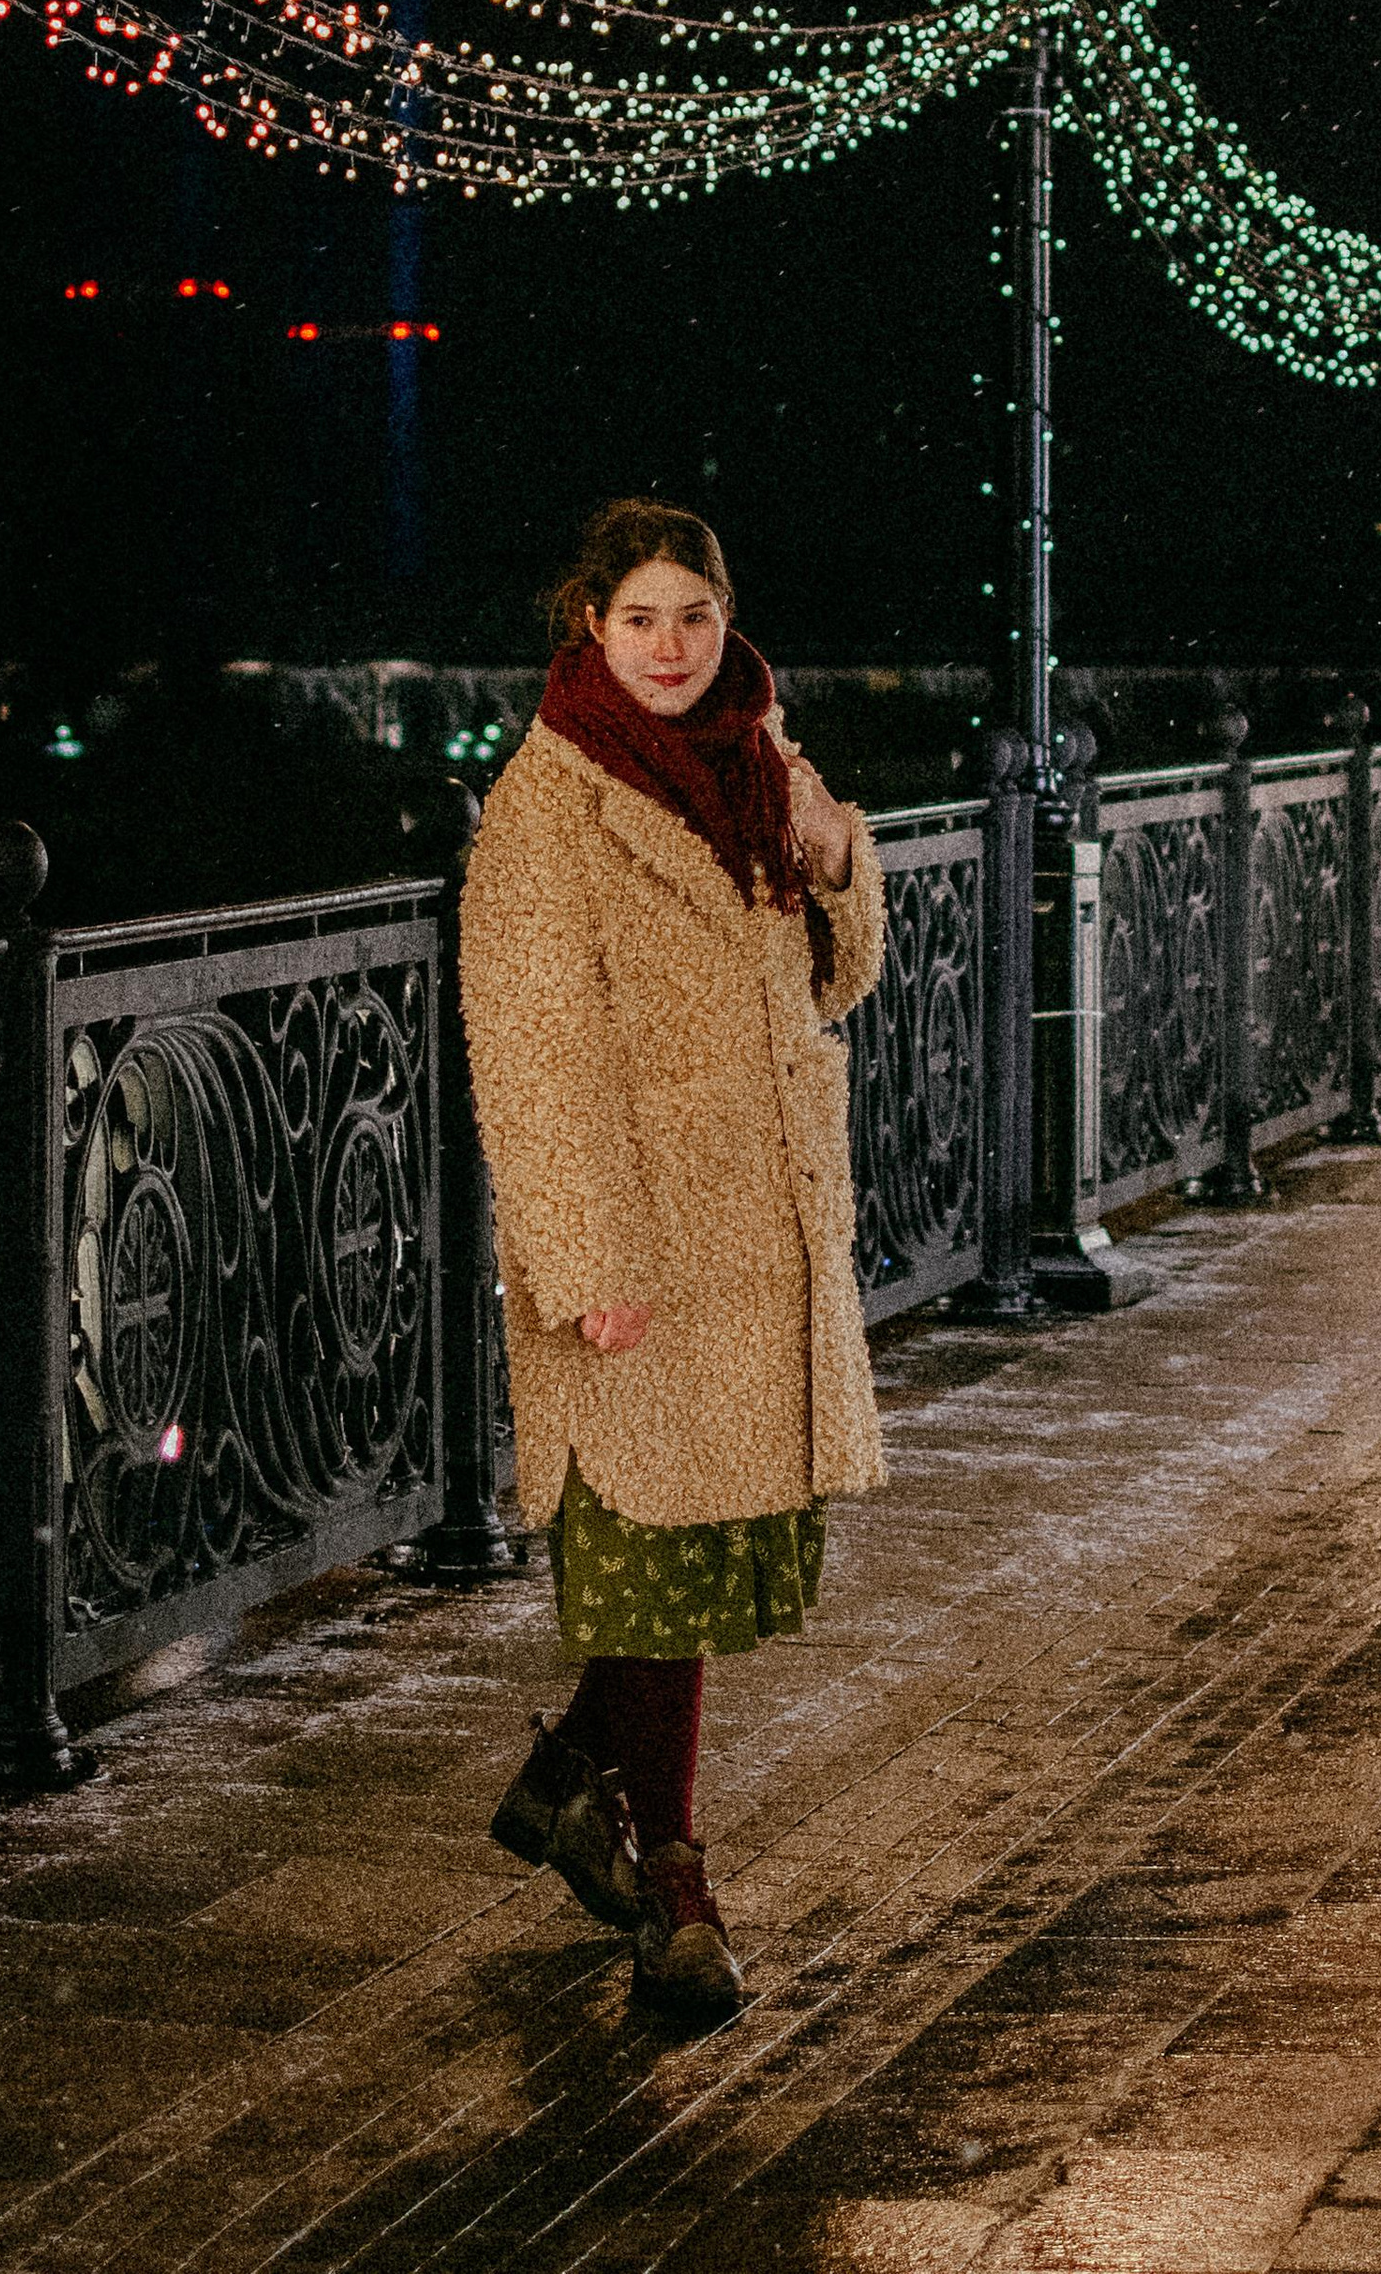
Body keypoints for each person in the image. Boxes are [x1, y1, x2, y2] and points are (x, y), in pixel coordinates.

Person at [459, 498, 886, 2015]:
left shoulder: (761, 750)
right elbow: (530, 1049)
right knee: (645, 1562)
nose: (670, 647)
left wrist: (842, 858)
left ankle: (570, 1777)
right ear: (588, 621)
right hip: (636, 1240)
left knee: (697, 1561)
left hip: (755, 1231)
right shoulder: (548, 803)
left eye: (692, 618)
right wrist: (582, 1259)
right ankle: (676, 1885)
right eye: (640, 617)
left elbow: (835, 977)